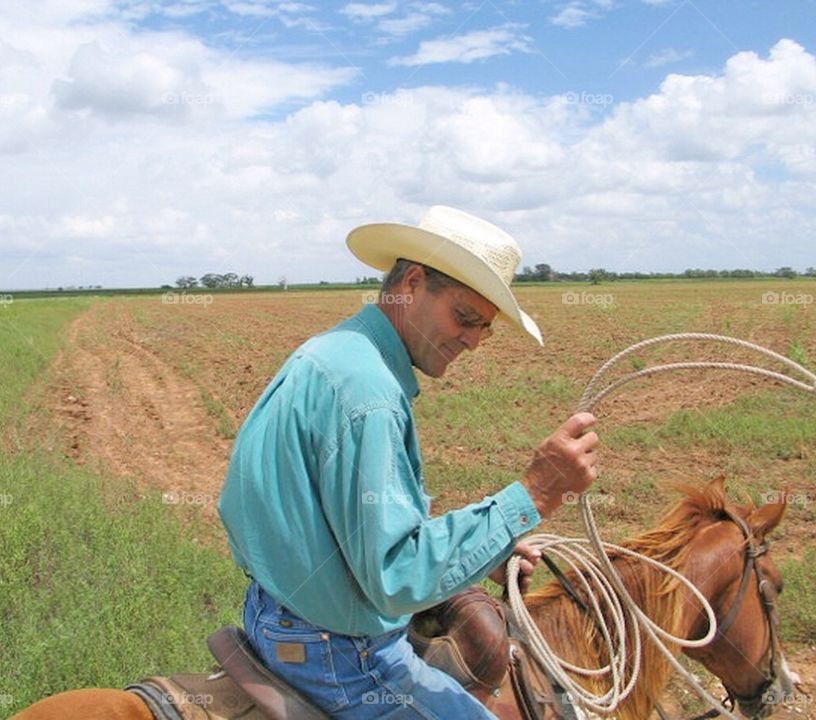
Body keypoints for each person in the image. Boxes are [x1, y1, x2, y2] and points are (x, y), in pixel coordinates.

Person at [218, 205, 598, 719]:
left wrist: (489, 547)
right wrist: (535, 493)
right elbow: (394, 576)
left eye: (486, 328)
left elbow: (362, 533)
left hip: (276, 612)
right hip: (339, 652)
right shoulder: (369, 393)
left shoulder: (334, 353)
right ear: (413, 283)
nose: (473, 340)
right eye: (465, 318)